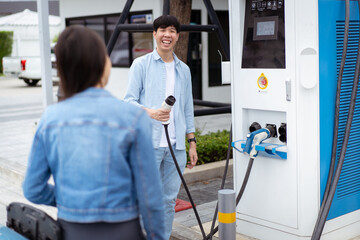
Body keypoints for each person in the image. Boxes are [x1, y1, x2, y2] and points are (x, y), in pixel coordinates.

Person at [23, 25, 165, 240]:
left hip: (70, 230)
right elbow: (150, 196)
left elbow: (33, 189)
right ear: (101, 65)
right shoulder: (132, 117)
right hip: (124, 229)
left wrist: (66, 198)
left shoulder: (50, 119)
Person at [124, 15, 198, 239]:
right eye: (163, 30)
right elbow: (127, 103)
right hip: (149, 145)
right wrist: (151, 113)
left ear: (177, 36)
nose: (168, 34)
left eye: (173, 30)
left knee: (168, 200)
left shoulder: (183, 69)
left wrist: (192, 142)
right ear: (154, 34)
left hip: (176, 148)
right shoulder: (141, 65)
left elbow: (187, 108)